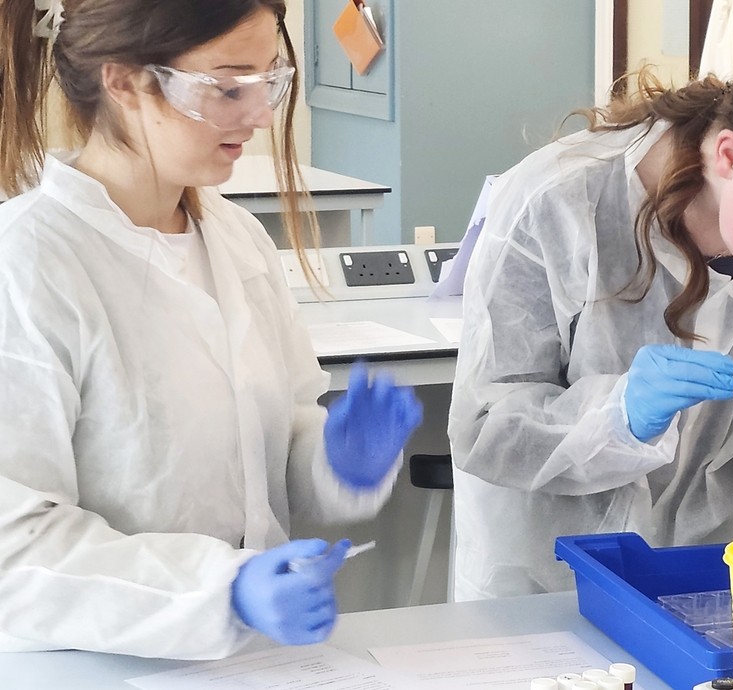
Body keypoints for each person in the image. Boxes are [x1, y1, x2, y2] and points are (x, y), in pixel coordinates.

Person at [0, 0, 422, 659]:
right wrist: (220, 591)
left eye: (267, 83)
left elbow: (275, 447)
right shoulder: (26, 264)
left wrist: (336, 459)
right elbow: (15, 549)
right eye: (228, 87)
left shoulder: (237, 239)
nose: (258, 115)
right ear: (125, 81)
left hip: (254, 657)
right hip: (93, 663)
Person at [448, 29, 733, 601]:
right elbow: (487, 424)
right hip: (552, 588)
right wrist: (615, 416)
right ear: (728, 156)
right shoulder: (558, 205)